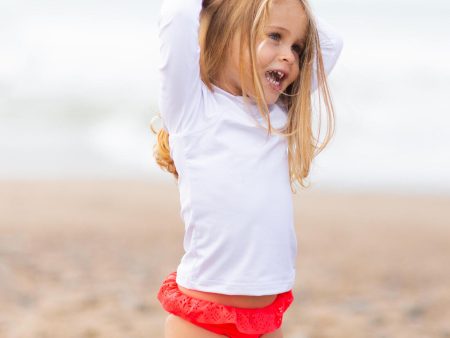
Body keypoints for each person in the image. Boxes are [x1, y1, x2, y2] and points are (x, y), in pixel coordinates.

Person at [153, 0, 343, 337]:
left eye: (295, 47)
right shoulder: (193, 110)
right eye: (274, 36)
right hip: (202, 320)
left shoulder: (278, 115)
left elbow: (330, 42)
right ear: (227, 34)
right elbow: (178, 14)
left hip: (266, 319)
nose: (289, 55)